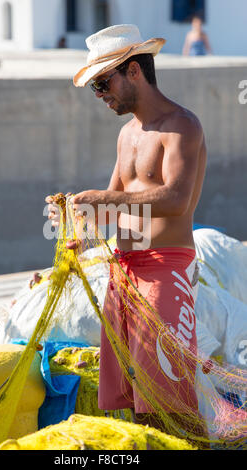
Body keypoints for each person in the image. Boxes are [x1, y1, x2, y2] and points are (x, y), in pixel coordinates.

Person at [46, 24, 207, 438]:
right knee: (140, 403)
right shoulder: (126, 135)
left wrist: (104, 199)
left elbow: (177, 200)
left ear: (133, 70)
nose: (101, 95)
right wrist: (74, 222)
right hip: (125, 272)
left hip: (165, 272)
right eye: (95, 88)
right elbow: (113, 214)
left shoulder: (182, 125)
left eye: (103, 82)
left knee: (172, 402)